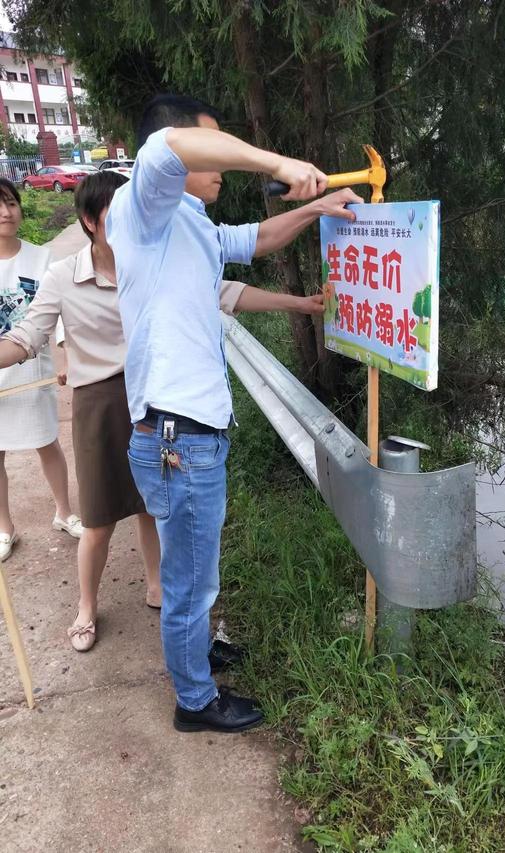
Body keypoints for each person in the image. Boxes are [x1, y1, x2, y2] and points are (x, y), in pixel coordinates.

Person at [106, 93, 362, 734]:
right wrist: (276, 161)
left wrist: (318, 206)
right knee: (190, 580)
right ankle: (195, 701)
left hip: (189, 435)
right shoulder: (143, 205)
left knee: (197, 564)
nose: (220, 165)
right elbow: (169, 146)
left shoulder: (188, 223)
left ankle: (197, 650)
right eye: (213, 148)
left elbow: (256, 239)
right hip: (177, 435)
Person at [0, 171, 324, 653]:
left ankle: (157, 587)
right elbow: (26, 337)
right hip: (99, 406)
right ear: (89, 222)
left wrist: (300, 303)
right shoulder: (63, 276)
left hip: (155, 400)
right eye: (117, 215)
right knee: (98, 518)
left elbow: (225, 292)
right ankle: (86, 606)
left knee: (156, 508)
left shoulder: (156, 259)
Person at [0, 178, 81, 563]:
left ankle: (64, 512)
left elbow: (61, 314)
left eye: (12, 203)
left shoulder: (42, 259)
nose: (6, 212)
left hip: (34, 372)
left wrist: (66, 357)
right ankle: (5, 528)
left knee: (47, 441)